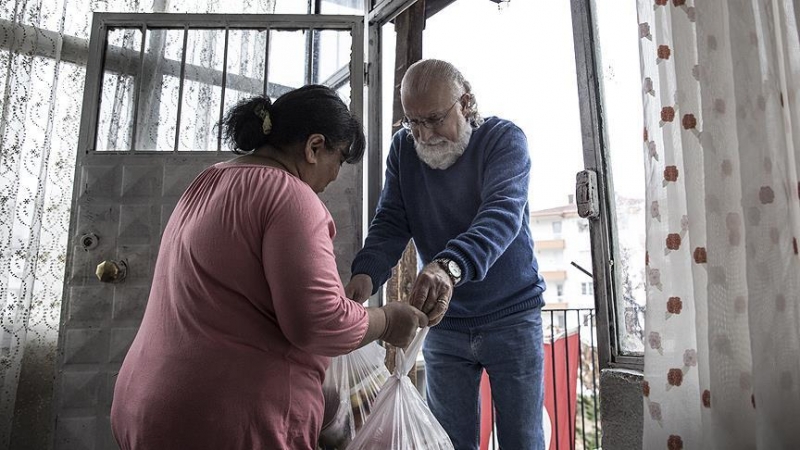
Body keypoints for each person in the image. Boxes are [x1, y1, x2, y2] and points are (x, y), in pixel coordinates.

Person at [110, 85, 428, 450]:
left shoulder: (209, 180)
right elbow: (320, 323)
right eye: (339, 160)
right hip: (224, 421)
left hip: (146, 403)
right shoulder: (290, 196)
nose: (335, 176)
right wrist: (388, 320)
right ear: (313, 147)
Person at [345, 59, 547, 450]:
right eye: (413, 122)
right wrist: (366, 274)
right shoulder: (403, 148)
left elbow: (501, 213)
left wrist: (448, 266)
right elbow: (391, 221)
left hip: (512, 317)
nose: (425, 134)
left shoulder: (504, 140)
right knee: (448, 441)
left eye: (435, 119)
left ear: (466, 103)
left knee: (522, 440)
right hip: (443, 321)